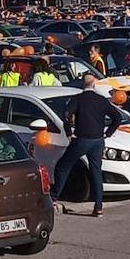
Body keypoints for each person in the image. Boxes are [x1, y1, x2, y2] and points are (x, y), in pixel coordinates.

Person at [51, 74, 121, 217]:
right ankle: (99, 206)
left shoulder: (78, 99)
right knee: (96, 171)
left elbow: (65, 114)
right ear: (94, 84)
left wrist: (69, 132)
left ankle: (53, 197)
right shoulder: (101, 100)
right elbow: (117, 117)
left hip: (82, 139)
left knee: (63, 167)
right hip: (98, 140)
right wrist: (108, 133)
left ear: (82, 85)